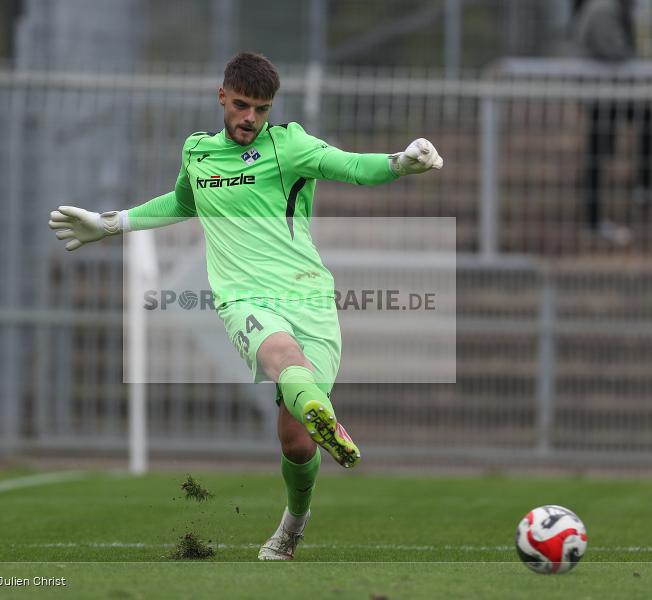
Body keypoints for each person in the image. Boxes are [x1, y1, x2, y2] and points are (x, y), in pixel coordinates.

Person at [48, 52, 442, 560]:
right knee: (281, 357)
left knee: (296, 444)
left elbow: (352, 168)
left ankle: (292, 525)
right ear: (222, 97)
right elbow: (184, 202)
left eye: (260, 108)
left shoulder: (290, 146)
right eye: (241, 105)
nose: (250, 118)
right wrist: (113, 223)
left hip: (310, 297)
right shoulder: (198, 153)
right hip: (244, 298)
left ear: (271, 108)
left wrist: (398, 164)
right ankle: (324, 415)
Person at [574, 0, 652, 245]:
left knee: (649, 121)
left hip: (613, 92)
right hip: (602, 94)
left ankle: (644, 187)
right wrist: (640, 67)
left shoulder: (616, 8)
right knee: (597, 156)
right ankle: (593, 220)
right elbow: (614, 51)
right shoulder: (604, 9)